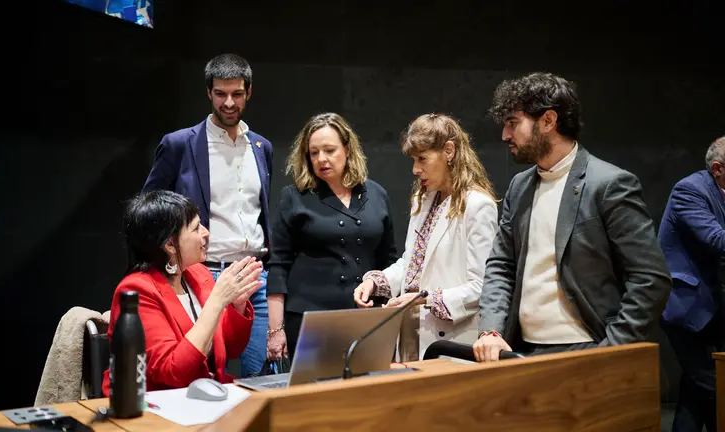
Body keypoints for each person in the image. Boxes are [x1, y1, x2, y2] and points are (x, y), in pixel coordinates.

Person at [474, 72, 672, 362]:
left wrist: (612, 347)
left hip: (588, 349)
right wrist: (490, 330)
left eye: (513, 123)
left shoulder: (609, 185)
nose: (505, 135)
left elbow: (651, 279)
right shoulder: (519, 186)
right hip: (519, 350)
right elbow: (501, 264)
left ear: (548, 121)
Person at [142, 53, 272, 377]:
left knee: (256, 377)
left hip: (255, 277)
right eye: (220, 93)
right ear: (208, 92)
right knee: (205, 377)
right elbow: (149, 209)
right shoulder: (180, 144)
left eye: (237, 94)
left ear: (249, 92)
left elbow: (261, 214)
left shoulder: (261, 147)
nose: (229, 102)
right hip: (205, 275)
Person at [353, 114, 498, 361]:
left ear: (449, 151)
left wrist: (426, 300)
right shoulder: (423, 200)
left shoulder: (478, 205)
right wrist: (376, 282)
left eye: (422, 159)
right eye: (413, 159)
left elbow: (482, 287)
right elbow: (411, 264)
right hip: (411, 335)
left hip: (451, 340)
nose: (415, 169)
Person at [101, 191, 263, 394]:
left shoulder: (197, 274)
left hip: (205, 395)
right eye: (196, 228)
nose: (206, 232)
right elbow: (174, 372)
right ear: (169, 244)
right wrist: (217, 301)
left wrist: (236, 307)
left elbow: (231, 350)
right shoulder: (136, 290)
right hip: (152, 406)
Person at [266, 113, 399, 360]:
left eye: (329, 150)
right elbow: (278, 266)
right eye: (313, 153)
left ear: (347, 149)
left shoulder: (376, 194)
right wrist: (275, 330)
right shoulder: (294, 196)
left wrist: (391, 317)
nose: (321, 159)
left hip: (368, 317)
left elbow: (389, 262)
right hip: (310, 320)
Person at [658, 136, 725, 432]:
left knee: (696, 389)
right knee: (713, 385)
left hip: (713, 307)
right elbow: (716, 240)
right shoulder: (690, 190)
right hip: (686, 308)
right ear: (717, 168)